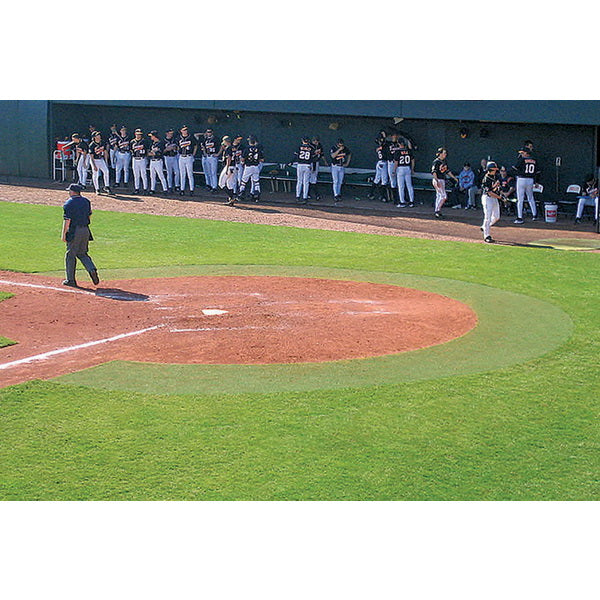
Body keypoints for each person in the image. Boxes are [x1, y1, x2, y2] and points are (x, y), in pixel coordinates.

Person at [61, 183, 99, 287]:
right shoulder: (86, 201)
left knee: (70, 255)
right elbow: (89, 215)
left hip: (75, 231)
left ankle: (71, 280)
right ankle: (92, 269)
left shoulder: (68, 203)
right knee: (82, 253)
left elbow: (67, 221)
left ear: (72, 192)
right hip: (86, 230)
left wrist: (64, 234)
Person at [512, 146, 539, 224]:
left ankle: (519, 217)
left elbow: (515, 168)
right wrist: (536, 181)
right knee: (531, 197)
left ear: (527, 153)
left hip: (522, 179)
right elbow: (537, 172)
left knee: (520, 199)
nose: (522, 154)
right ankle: (535, 215)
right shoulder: (534, 160)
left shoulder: (521, 160)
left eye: (523, 153)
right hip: (530, 180)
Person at [431, 147, 458, 218]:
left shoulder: (444, 161)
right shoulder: (436, 161)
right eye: (444, 153)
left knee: (439, 196)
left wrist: (454, 178)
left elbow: (447, 171)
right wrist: (436, 180)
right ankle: (437, 210)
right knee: (444, 196)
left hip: (442, 180)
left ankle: (437, 211)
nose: (445, 154)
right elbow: (434, 172)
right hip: (437, 179)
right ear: (440, 154)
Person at [480, 161, 502, 243]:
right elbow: (489, 192)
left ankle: (484, 227)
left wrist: (501, 194)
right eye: (494, 169)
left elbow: (497, 188)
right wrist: (500, 197)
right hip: (487, 198)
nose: (496, 171)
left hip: (494, 198)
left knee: (496, 217)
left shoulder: (495, 176)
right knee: (487, 217)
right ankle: (487, 236)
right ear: (490, 170)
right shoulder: (486, 179)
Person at [238, 135, 264, 201]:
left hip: (248, 166)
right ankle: (256, 196)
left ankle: (241, 195)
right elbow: (262, 160)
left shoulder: (247, 149)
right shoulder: (258, 149)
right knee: (256, 181)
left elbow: (243, 159)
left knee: (244, 181)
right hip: (256, 166)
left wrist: (242, 160)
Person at [368, 132, 388, 202]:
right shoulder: (383, 146)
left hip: (379, 163)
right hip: (383, 163)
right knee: (384, 180)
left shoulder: (379, 146)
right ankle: (383, 196)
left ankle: (371, 193)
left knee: (377, 179)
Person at [394, 138, 415, 207]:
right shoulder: (408, 151)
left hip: (400, 168)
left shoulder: (397, 151)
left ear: (399, 144)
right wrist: (412, 169)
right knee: (409, 186)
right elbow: (412, 161)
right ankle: (411, 201)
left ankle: (402, 202)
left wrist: (394, 171)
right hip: (407, 168)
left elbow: (396, 162)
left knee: (401, 186)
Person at [177, 125, 197, 196]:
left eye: (186, 130)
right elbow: (177, 146)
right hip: (181, 157)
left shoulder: (191, 137)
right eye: (184, 130)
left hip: (189, 156)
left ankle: (191, 190)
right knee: (182, 174)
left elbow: (195, 146)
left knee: (190, 174)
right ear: (181, 131)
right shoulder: (179, 137)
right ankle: (182, 189)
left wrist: (193, 154)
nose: (185, 131)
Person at [198, 128, 219, 193]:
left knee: (213, 172)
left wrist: (218, 154)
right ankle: (209, 185)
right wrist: (205, 153)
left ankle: (214, 186)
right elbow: (203, 146)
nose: (208, 133)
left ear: (212, 132)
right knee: (208, 172)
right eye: (207, 132)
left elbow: (222, 146)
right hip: (207, 156)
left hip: (213, 156)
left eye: (210, 132)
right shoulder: (205, 139)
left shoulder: (216, 139)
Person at [294, 135, 314, 204]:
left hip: (300, 164)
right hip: (307, 165)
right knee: (306, 182)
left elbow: (296, 156)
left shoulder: (299, 147)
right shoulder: (311, 148)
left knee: (299, 181)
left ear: (302, 140)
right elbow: (313, 157)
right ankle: (305, 197)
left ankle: (297, 196)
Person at [330, 138, 351, 203]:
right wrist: (339, 150)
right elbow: (333, 156)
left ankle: (338, 194)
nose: (341, 146)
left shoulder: (345, 148)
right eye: (339, 145)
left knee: (340, 181)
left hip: (341, 166)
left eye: (342, 145)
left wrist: (347, 163)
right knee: (335, 181)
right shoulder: (333, 148)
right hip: (335, 166)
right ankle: (335, 195)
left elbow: (349, 154)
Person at [147, 130, 168, 194]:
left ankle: (165, 189)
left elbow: (159, 153)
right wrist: (150, 153)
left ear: (154, 136)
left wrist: (151, 153)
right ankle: (152, 189)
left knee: (160, 175)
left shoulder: (160, 143)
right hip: (152, 161)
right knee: (152, 176)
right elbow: (149, 152)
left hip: (158, 161)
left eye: (152, 136)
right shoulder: (153, 143)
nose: (151, 137)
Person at [130, 128, 149, 194]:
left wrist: (146, 158)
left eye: (140, 134)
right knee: (136, 175)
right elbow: (131, 150)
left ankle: (145, 189)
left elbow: (147, 150)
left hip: (142, 159)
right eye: (137, 134)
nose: (138, 136)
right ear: (135, 134)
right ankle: (136, 189)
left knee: (143, 174)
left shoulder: (144, 141)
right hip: (135, 159)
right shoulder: (132, 142)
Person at [309, 136, 327, 200]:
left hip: (316, 162)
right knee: (309, 179)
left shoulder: (319, 146)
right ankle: (312, 194)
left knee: (313, 178)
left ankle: (313, 194)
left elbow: (322, 154)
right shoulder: (309, 146)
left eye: (317, 141)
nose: (316, 142)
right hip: (310, 163)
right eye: (314, 141)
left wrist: (325, 162)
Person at [163, 128, 180, 193]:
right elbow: (162, 151)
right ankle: (170, 186)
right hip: (167, 157)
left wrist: (175, 148)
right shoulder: (164, 141)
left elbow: (178, 148)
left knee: (177, 172)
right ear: (166, 133)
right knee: (169, 172)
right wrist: (167, 149)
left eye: (172, 133)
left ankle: (177, 185)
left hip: (174, 157)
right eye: (170, 133)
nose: (171, 134)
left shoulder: (175, 140)